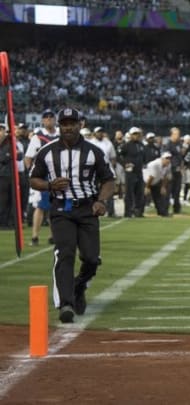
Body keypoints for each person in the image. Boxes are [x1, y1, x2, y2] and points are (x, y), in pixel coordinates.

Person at [28, 107, 115, 323]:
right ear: (59, 126)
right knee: (64, 253)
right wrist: (49, 185)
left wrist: (101, 201)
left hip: (87, 209)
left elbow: (109, 180)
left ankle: (79, 287)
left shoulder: (94, 151)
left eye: (72, 123)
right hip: (61, 209)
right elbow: (32, 179)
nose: (68, 127)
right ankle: (65, 304)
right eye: (64, 123)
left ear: (80, 125)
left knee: (92, 259)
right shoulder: (47, 151)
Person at [24, 110, 59, 246]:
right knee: (40, 206)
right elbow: (28, 158)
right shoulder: (37, 137)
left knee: (55, 206)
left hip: (57, 175)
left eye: (51, 117)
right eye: (46, 118)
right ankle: (35, 236)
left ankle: (53, 236)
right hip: (43, 176)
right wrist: (32, 173)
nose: (49, 120)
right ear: (43, 121)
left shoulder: (60, 135)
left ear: (55, 119)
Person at [117, 127, 146, 217]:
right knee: (129, 193)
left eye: (137, 134)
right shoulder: (127, 145)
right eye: (134, 134)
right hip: (130, 172)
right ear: (130, 135)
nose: (136, 136)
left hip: (139, 171)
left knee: (139, 192)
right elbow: (118, 155)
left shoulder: (141, 145)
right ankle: (128, 212)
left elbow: (144, 157)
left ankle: (138, 212)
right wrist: (125, 164)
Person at [163, 127, 185, 214]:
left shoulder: (179, 144)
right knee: (169, 190)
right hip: (171, 170)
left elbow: (180, 157)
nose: (178, 136)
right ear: (172, 134)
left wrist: (181, 166)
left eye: (179, 134)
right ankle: (165, 209)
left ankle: (177, 208)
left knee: (177, 190)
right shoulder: (168, 145)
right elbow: (166, 158)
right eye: (176, 134)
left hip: (178, 170)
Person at [143, 151, 171, 217]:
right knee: (143, 197)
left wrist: (163, 187)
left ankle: (162, 212)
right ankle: (138, 212)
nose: (168, 160)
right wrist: (147, 187)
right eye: (167, 158)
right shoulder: (155, 164)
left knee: (159, 197)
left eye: (169, 158)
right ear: (162, 159)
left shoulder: (168, 165)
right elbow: (151, 177)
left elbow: (166, 176)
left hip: (156, 181)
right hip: (146, 181)